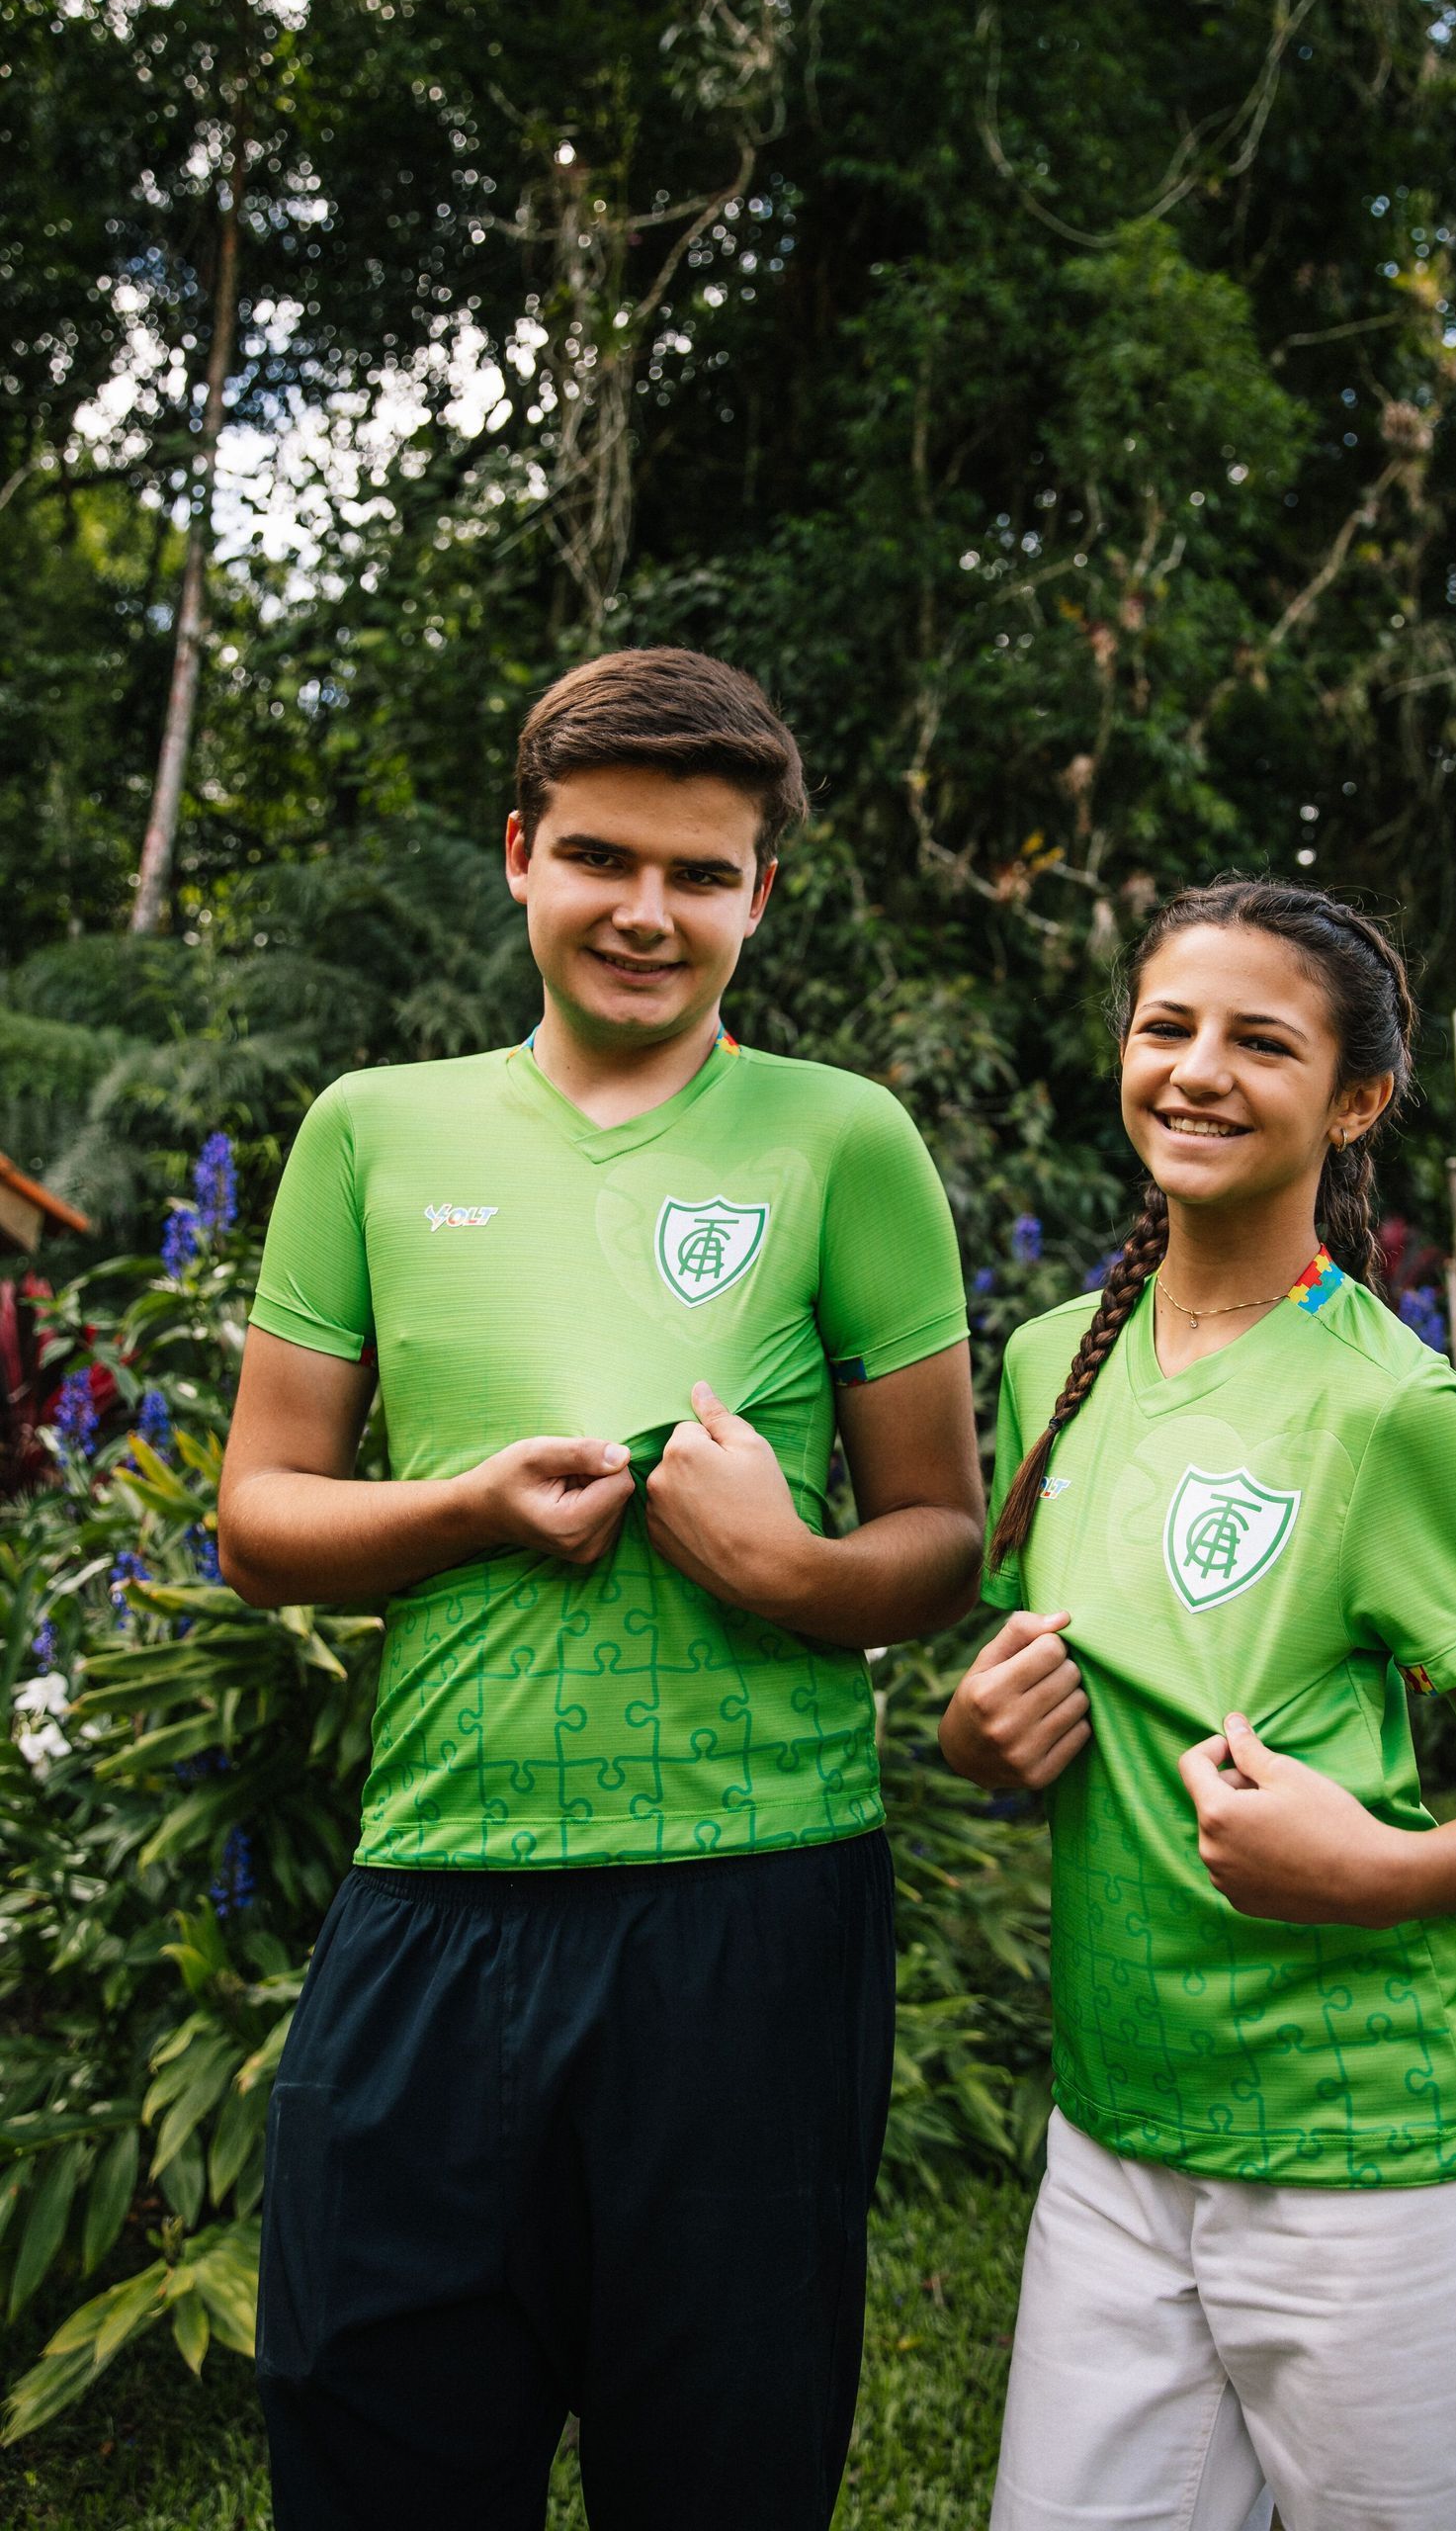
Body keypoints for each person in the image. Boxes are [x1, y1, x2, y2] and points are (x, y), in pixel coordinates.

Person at [220, 647, 984, 2531]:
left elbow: (940, 1535)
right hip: (443, 1882)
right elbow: (258, 1515)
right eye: (602, 859)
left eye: (702, 874)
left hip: (756, 1905)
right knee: (373, 2434)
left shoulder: (842, 1138)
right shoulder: (375, 1130)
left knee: (720, 2463)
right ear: (519, 857)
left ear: (760, 895)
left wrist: (792, 1570)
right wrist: (467, 1509)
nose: (649, 912)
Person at [941, 877, 1456, 2531]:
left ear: (1358, 1098)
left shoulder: (1393, 1411)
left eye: (1262, 1041)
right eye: (1166, 1027)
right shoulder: (1050, 1361)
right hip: (1113, 2141)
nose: (1197, 1070)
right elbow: (1061, 1684)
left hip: (1383, 2157)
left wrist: (1370, 1868)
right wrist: (980, 1741)